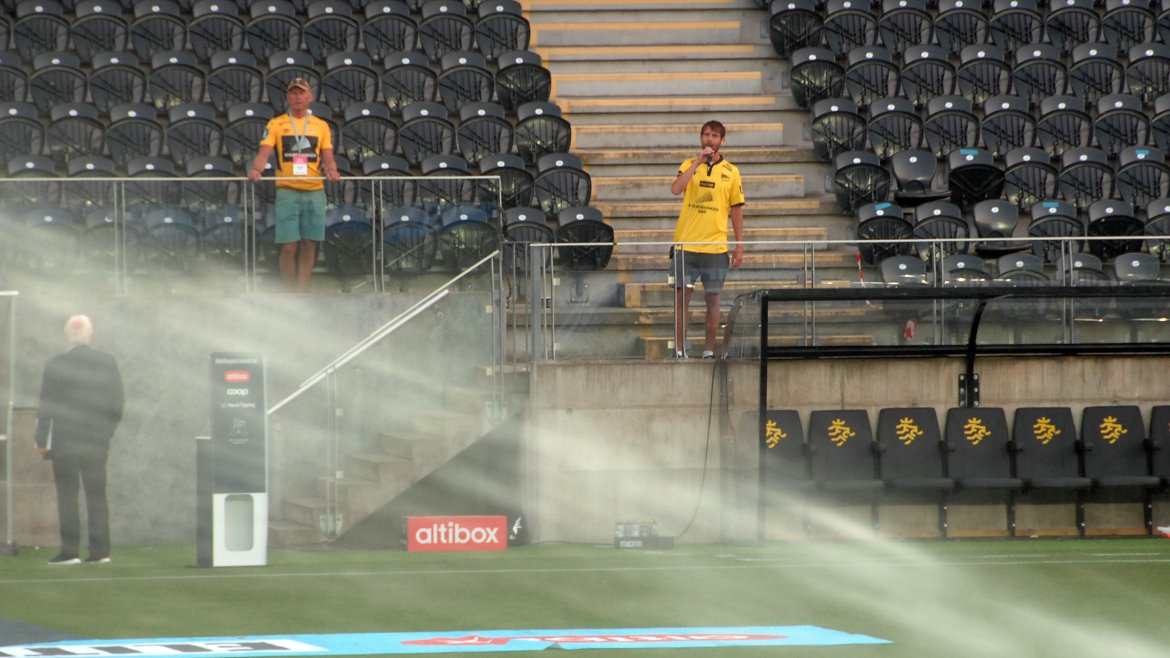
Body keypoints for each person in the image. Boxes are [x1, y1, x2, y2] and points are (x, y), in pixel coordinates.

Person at [34, 315, 125, 565]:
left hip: (64, 443)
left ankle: (69, 552)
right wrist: (106, 433)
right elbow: (117, 403)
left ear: (67, 336)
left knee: (67, 497)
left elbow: (46, 405)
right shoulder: (107, 362)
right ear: (89, 334)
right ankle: (100, 552)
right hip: (96, 442)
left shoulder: (55, 364)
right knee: (97, 497)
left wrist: (41, 439)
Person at [247, 77, 342, 293]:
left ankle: (302, 291)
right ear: (288, 97)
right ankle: (289, 291)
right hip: (287, 191)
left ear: (310, 97)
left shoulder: (321, 126)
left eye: (302, 93)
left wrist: (331, 170)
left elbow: (328, 157)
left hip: (314, 191)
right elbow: (264, 153)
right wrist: (256, 169)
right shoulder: (276, 124)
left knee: (309, 243)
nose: (298, 97)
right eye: (293, 93)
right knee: (289, 245)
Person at [669, 120, 746, 359]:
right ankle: (680, 349)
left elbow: (736, 210)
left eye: (714, 135)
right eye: (706, 135)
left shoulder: (731, 172)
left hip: (715, 247)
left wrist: (739, 245)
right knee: (682, 298)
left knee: (713, 298)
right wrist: (698, 162)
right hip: (686, 244)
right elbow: (675, 189)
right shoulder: (688, 165)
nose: (709, 139)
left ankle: (709, 350)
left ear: (722, 141)